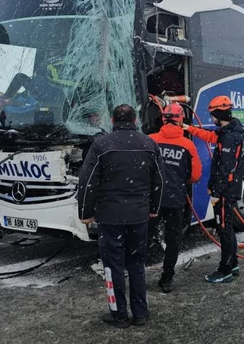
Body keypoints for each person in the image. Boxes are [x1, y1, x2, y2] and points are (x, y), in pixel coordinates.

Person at [77, 104, 164, 328]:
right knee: (137, 264)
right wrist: (154, 207)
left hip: (110, 217)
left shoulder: (101, 144)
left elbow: (88, 182)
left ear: (113, 121)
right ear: (135, 121)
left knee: (112, 266)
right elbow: (159, 181)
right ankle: (141, 313)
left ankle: (119, 315)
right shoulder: (149, 144)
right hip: (139, 216)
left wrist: (85, 212)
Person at [184, 96, 244, 284]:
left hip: (225, 192)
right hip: (228, 189)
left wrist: (216, 194)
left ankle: (225, 269)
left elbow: (226, 169)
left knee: (224, 228)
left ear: (218, 114)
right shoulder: (229, 131)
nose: (211, 119)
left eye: (212, 115)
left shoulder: (229, 137)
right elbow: (210, 136)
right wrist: (188, 128)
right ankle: (232, 263)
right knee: (227, 228)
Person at [148, 103, 202, 293]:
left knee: (144, 238)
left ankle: (136, 274)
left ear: (163, 119)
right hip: (175, 199)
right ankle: (166, 279)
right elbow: (195, 176)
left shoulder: (150, 140)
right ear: (181, 120)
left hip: (153, 200)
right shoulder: (188, 145)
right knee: (173, 240)